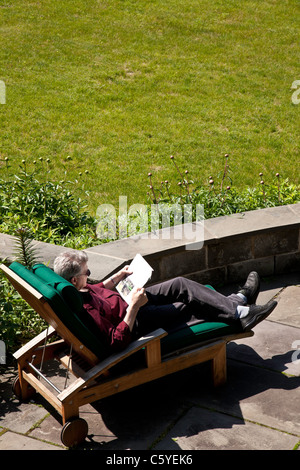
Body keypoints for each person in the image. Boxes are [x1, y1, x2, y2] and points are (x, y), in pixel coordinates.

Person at [53, 250, 277, 353]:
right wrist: (133, 306)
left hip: (133, 302)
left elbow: (99, 288)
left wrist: (119, 276)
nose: (89, 274)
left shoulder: (76, 289)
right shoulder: (86, 309)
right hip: (138, 318)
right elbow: (116, 341)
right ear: (74, 279)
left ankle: (238, 302)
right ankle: (240, 307)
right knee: (190, 304)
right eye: (86, 272)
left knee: (180, 284)